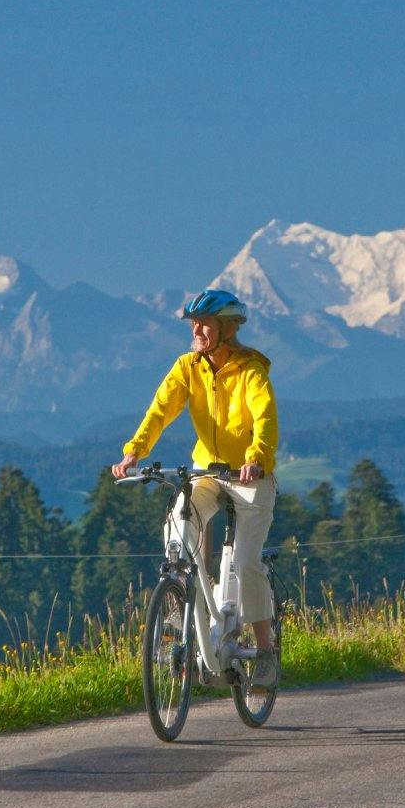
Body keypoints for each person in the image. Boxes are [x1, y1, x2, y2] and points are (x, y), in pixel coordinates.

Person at [112, 288, 281, 686]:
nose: (197, 330)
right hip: (207, 469)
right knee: (179, 520)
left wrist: (256, 457)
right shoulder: (188, 367)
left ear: (227, 329)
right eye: (194, 324)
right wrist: (134, 451)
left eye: (205, 324)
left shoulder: (250, 370)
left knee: (245, 563)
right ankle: (184, 600)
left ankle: (265, 651)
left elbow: (265, 417)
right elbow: (161, 409)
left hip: (249, 475)